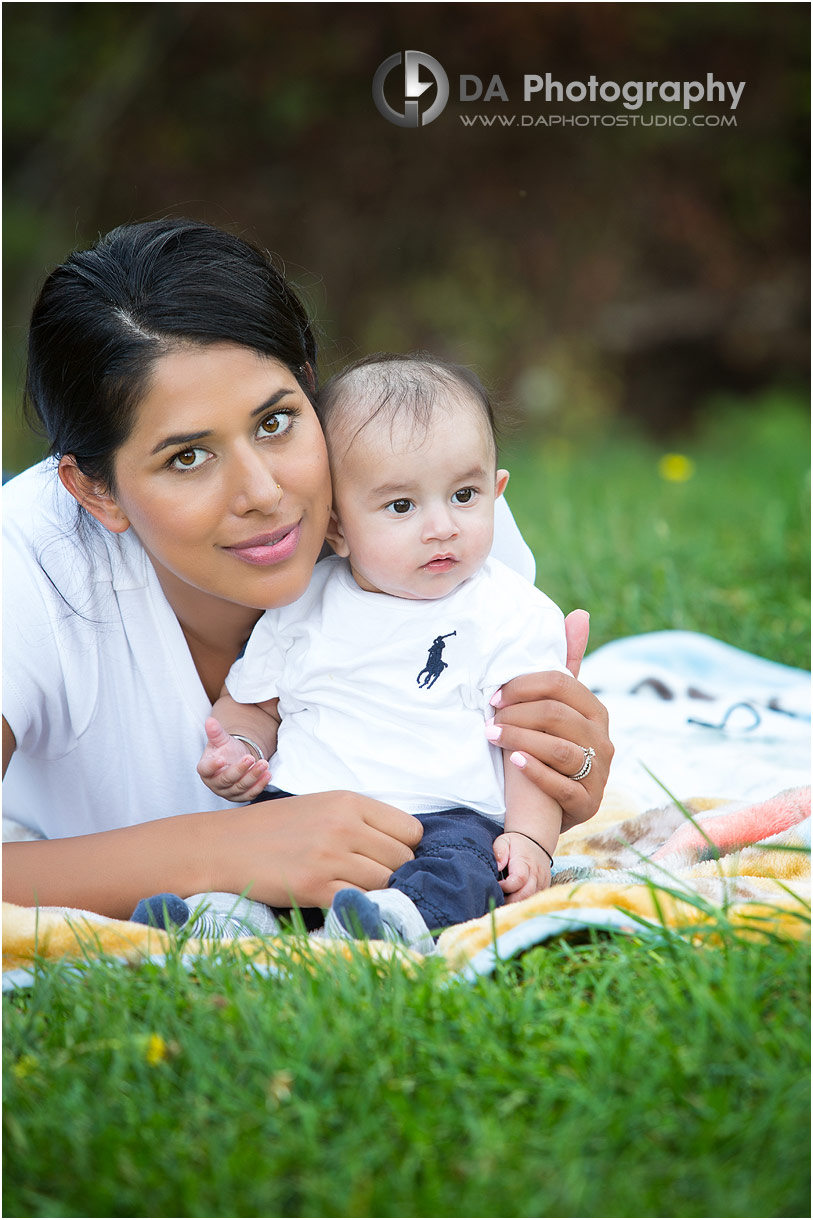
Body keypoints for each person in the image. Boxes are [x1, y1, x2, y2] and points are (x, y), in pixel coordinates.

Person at [2, 218, 613, 922]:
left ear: (311, 391)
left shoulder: (420, 524)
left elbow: (512, 756)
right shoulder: (25, 566)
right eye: (187, 458)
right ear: (95, 491)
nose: (264, 493)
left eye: (274, 423)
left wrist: (556, 782)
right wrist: (218, 850)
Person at [140, 353, 574, 950]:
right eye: (402, 506)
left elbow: (532, 747)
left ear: (497, 492)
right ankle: (226, 920)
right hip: (296, 809)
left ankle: (391, 921)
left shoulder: (509, 613)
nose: (442, 526)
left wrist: (530, 840)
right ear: (337, 528)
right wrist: (239, 749)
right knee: (250, 856)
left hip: (440, 819)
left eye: (465, 495)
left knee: (464, 874)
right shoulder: (302, 606)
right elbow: (254, 706)